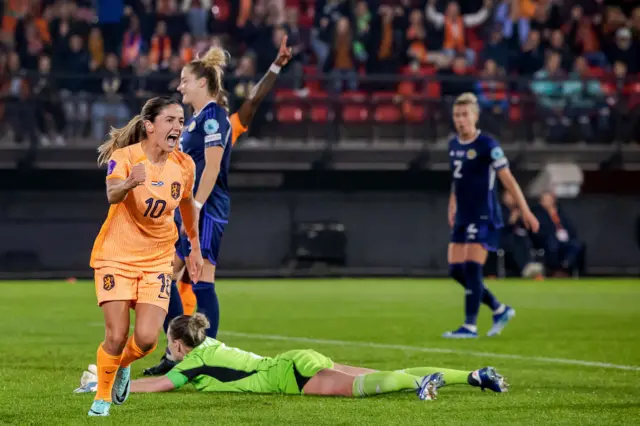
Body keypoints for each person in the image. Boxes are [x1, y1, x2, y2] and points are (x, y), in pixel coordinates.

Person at [143, 37, 293, 377]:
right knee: (162, 278)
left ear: (201, 82)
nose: (179, 85)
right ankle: (176, 352)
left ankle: (205, 357)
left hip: (206, 210)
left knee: (200, 279)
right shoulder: (192, 123)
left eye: (184, 79)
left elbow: (212, 165)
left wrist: (193, 207)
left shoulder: (215, 120)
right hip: (187, 210)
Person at [76, 314, 508, 401]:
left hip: (288, 376)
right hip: (295, 359)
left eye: (170, 347)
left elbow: (159, 384)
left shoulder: (192, 362)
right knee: (381, 374)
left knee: (360, 389)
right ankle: (471, 375)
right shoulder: (208, 349)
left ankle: (420, 385)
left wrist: (105, 383)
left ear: (176, 345)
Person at [88, 96, 205, 417]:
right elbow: (112, 193)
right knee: (115, 335)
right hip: (116, 256)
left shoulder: (184, 165)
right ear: (149, 126)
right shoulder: (125, 156)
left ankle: (121, 366)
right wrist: (128, 182)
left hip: (156, 260)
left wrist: (194, 247)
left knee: (147, 340)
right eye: (170, 120)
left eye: (181, 121)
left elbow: (187, 208)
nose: (177, 127)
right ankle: (102, 397)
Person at [445, 93, 539, 339]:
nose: (461, 120)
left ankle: (469, 326)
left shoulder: (488, 145)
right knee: (455, 270)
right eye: (457, 115)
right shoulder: (453, 144)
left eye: (465, 115)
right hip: (463, 214)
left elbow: (509, 180)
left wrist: (525, 209)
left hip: (483, 214)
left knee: (472, 268)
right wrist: (452, 204)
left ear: (475, 116)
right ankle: (499, 308)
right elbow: (457, 180)